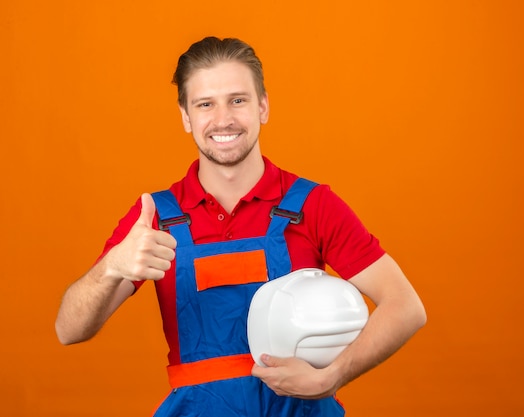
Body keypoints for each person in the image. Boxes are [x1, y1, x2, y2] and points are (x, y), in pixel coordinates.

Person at [55, 36, 427, 416]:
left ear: (262, 106)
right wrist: (112, 267)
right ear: (186, 116)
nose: (223, 120)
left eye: (238, 100)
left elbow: (405, 306)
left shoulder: (313, 206)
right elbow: (68, 330)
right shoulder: (155, 218)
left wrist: (332, 376)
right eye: (205, 104)